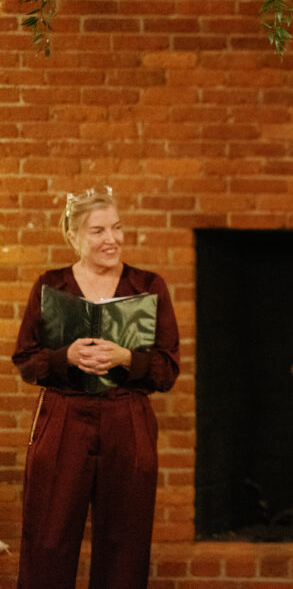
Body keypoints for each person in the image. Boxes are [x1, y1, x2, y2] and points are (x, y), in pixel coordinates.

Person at [12, 187, 180, 588]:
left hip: (127, 417)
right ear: (73, 236)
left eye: (117, 228)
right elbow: (26, 360)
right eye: (98, 230)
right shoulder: (51, 286)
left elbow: (167, 370)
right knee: (48, 536)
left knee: (125, 540)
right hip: (63, 418)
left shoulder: (148, 286)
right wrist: (65, 357)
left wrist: (127, 359)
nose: (112, 239)